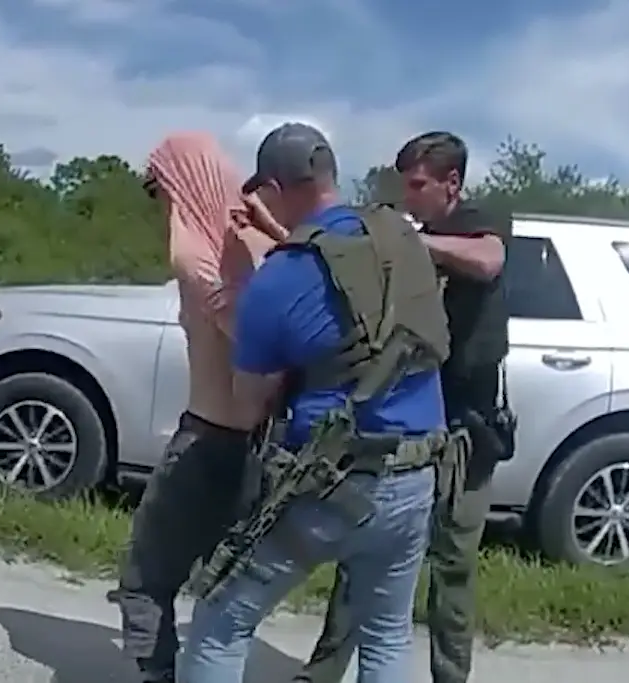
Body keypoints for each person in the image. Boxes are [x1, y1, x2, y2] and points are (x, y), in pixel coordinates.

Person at [177, 122, 453, 683]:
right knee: (386, 634)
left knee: (220, 622)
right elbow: (344, 272)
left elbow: (251, 406)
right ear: (329, 172)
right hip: (418, 474)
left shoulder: (277, 281)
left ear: (275, 187)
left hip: (330, 485)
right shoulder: (400, 240)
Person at [298, 131, 511, 683]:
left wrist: (414, 243)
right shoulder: (402, 234)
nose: (408, 195)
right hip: (405, 421)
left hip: (465, 428)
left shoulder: (479, 220)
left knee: (453, 566)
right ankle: (322, 672)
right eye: (403, 185)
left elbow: (488, 261)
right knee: (363, 555)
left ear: (452, 184)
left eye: (418, 185)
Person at [106, 132, 285, 683]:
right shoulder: (264, 244)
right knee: (226, 577)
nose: (159, 201)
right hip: (262, 442)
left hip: (208, 438)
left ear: (180, 181)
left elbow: (244, 337)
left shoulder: (196, 254)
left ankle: (159, 673)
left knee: (145, 576)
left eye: (157, 187)